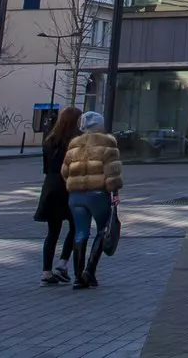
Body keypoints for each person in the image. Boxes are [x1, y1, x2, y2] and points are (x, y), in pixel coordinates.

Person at [61, 110, 124, 290]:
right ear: (99, 125)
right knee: (103, 228)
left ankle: (77, 278)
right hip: (97, 194)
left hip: (76, 196)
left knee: (80, 232)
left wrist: (74, 184)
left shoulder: (74, 144)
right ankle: (89, 270)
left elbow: (64, 171)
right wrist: (115, 194)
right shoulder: (107, 143)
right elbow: (112, 172)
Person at [35, 107, 80, 286]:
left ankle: (46, 272)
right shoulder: (77, 140)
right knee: (76, 226)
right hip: (70, 185)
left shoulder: (50, 139)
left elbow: (46, 167)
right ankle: (62, 263)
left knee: (52, 231)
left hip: (52, 186)